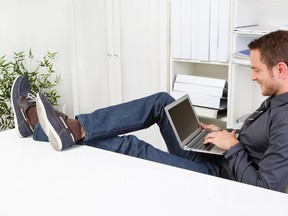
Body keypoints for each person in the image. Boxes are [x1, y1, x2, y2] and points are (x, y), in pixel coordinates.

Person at [11, 30, 288, 192]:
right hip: (217, 156)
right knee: (161, 101)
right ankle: (74, 127)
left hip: (218, 177)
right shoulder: (277, 98)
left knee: (131, 146)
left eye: (256, 70)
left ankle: (38, 122)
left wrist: (233, 147)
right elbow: (259, 144)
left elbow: (267, 189)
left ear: (281, 69)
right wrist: (227, 134)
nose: (253, 77)